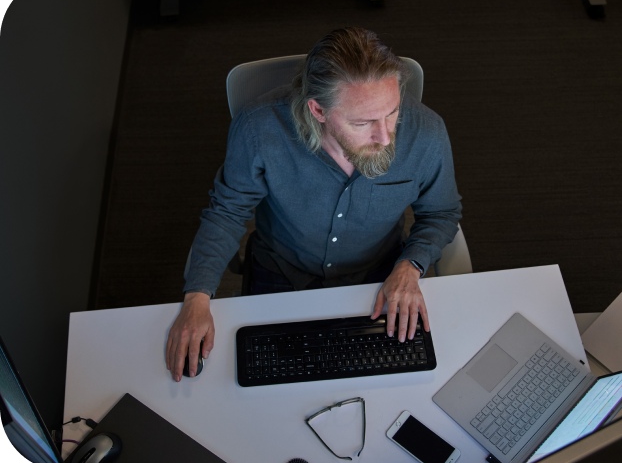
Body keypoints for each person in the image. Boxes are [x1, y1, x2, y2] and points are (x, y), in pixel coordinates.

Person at [166, 27, 462, 381]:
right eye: (363, 122)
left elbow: (442, 213)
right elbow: (228, 211)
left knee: (392, 381)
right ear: (318, 110)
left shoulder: (427, 133)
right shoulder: (259, 128)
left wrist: (411, 265)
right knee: (260, 382)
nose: (385, 137)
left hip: (379, 276)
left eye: (392, 113)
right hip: (281, 269)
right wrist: (197, 297)